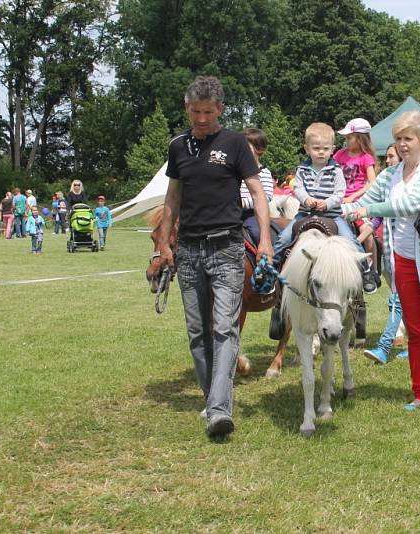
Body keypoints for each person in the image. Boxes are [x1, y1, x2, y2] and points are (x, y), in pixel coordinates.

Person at [156, 76, 273, 438]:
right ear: (186, 108)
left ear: (220, 109)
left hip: (227, 248)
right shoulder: (177, 147)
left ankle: (220, 408)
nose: (202, 119)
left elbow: (257, 192)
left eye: (208, 112)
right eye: (195, 111)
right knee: (197, 332)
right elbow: (172, 198)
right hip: (189, 251)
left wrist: (266, 239)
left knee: (223, 328)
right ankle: (213, 400)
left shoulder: (236, 144)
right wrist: (163, 243)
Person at [343, 111, 420, 420]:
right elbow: (361, 200)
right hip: (405, 264)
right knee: (416, 330)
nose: (401, 144)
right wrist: (333, 207)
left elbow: (411, 204)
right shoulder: (390, 175)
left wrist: (367, 209)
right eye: (398, 138)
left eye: (408, 138)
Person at [272, 122, 378, 294]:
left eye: (325, 148)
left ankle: (366, 271)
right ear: (306, 149)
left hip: (332, 215)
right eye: (316, 148)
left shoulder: (335, 170)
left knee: (351, 240)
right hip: (305, 214)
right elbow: (298, 188)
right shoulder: (302, 169)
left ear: (332, 149)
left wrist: (328, 202)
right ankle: (272, 269)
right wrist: (307, 200)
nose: (321, 152)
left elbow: (340, 191)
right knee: (283, 238)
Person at [364, 143, 408, 364]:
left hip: (407, 257)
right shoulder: (389, 186)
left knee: (397, 301)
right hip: (391, 258)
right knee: (404, 302)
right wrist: (357, 238)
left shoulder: (409, 189)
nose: (387, 160)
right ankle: (417, 345)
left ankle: (384, 345)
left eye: (391, 156)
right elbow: (376, 219)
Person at [334, 118, 380, 272]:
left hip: (358, 202)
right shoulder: (339, 154)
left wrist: (353, 197)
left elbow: (371, 182)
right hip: (338, 201)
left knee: (366, 232)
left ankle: (371, 268)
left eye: (349, 137)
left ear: (360, 138)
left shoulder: (365, 158)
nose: (346, 141)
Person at [239, 128, 275, 244]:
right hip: (231, 211)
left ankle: (264, 258)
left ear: (259, 149)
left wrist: (243, 203)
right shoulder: (234, 171)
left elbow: (267, 196)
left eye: (245, 147)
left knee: (256, 232)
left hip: (252, 213)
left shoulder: (264, 172)